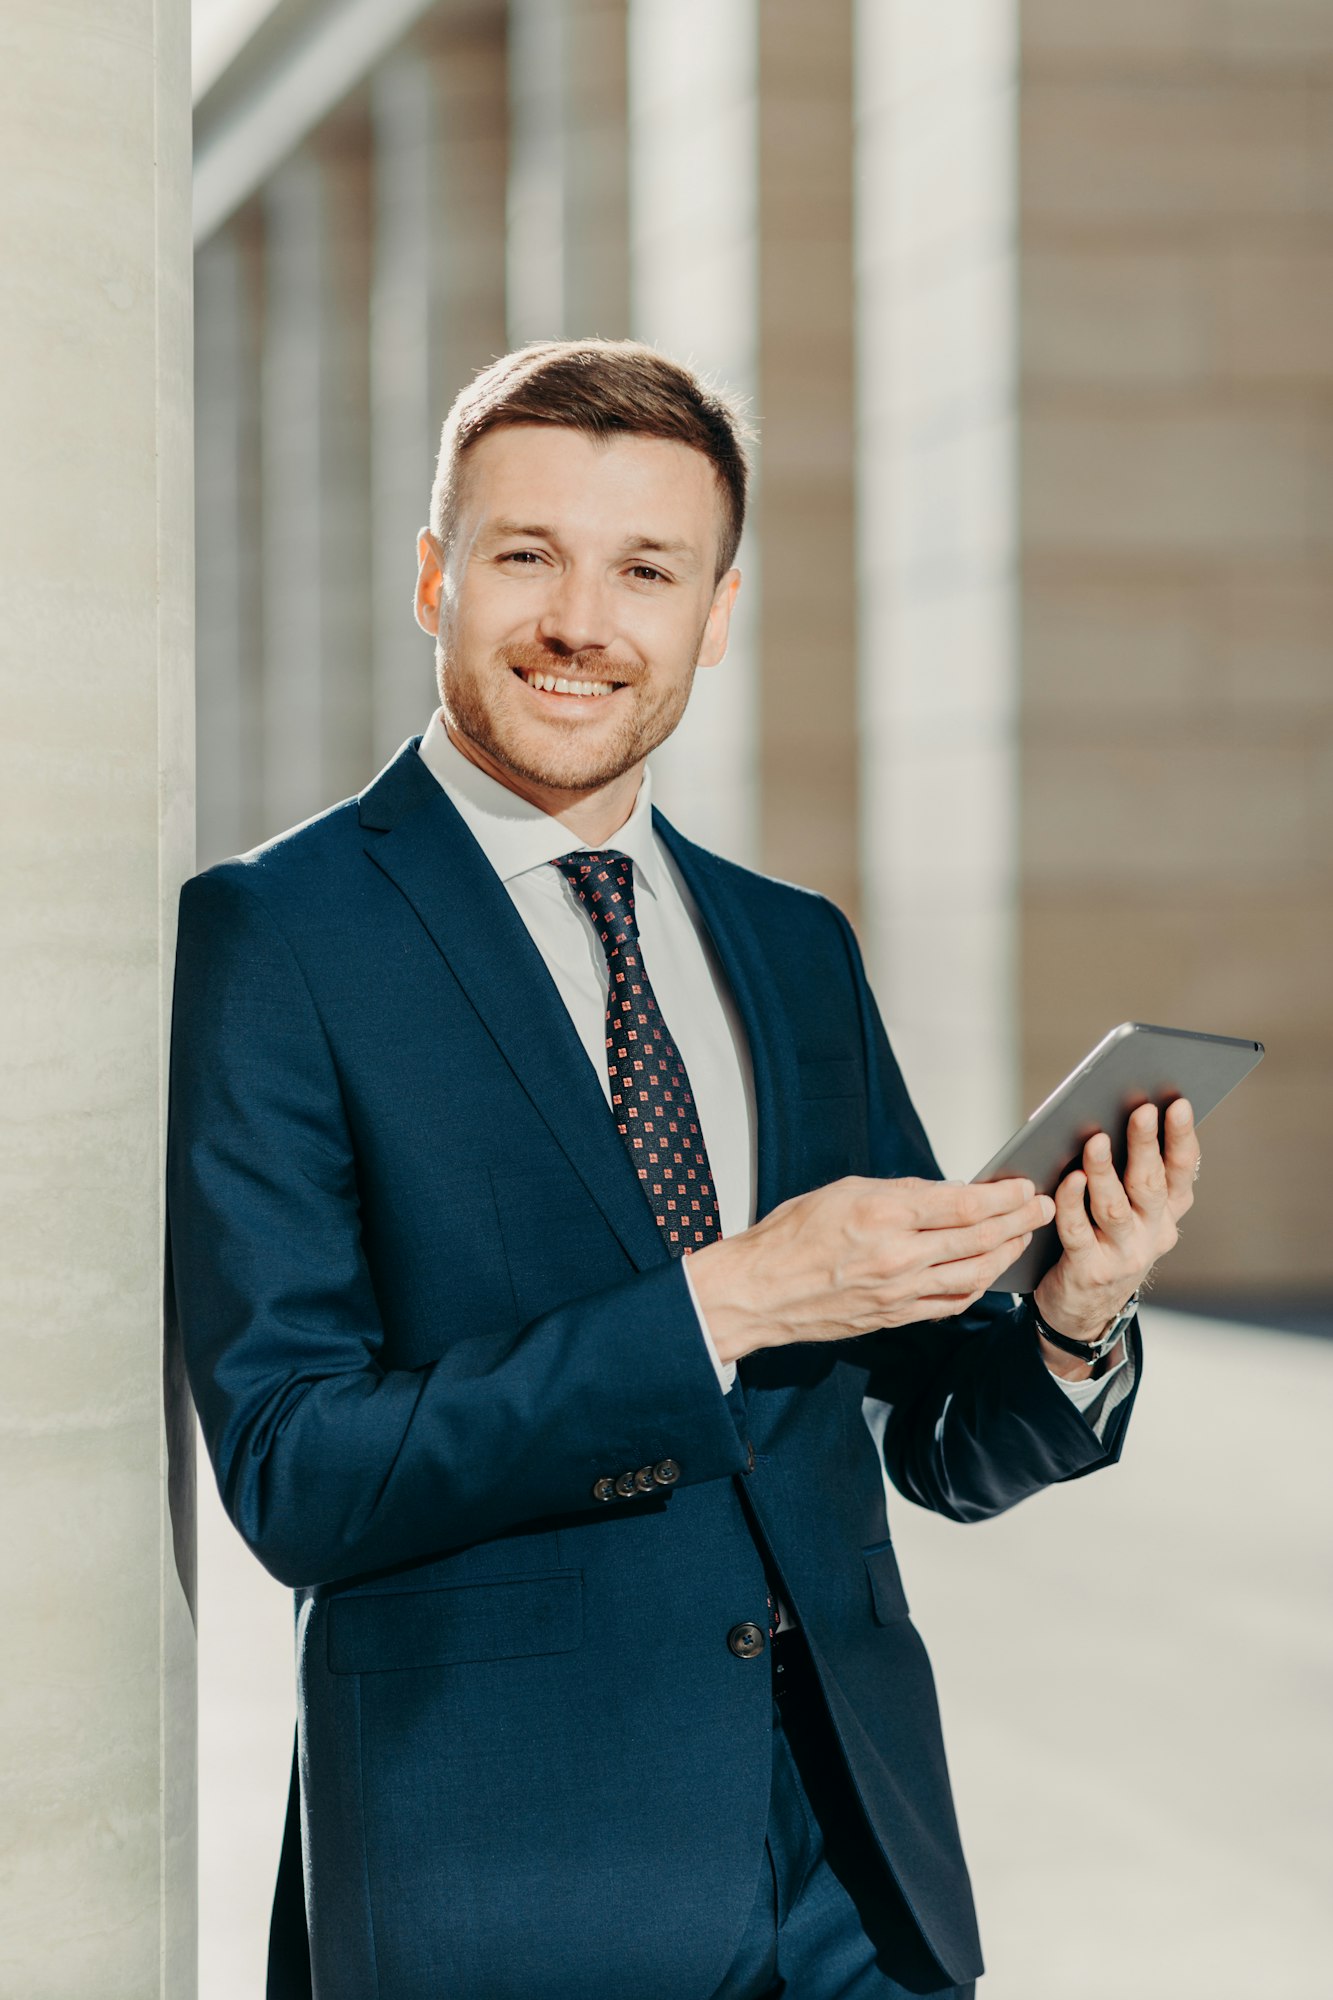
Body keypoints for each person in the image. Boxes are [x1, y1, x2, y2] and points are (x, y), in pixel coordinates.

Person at [166, 340, 1201, 2000]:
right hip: (510, 1892)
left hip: (855, 1881)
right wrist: (719, 1305)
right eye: (527, 556)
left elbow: (934, 1439)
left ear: (713, 613)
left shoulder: (791, 947)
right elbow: (298, 1469)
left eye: (646, 569)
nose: (584, 621)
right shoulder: (277, 936)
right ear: (434, 577)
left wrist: (1072, 1320)